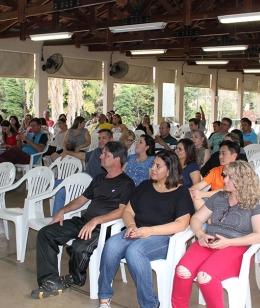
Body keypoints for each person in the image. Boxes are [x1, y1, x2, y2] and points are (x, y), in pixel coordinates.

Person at [31, 141, 135, 300]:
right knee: (46, 233)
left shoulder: (126, 183)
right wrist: (62, 210)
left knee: (79, 246)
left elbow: (122, 211)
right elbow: (81, 200)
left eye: (105, 154)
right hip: (84, 220)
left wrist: (97, 221)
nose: (100, 156)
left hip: (104, 228)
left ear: (117, 160)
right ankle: (50, 280)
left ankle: (75, 277)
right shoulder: (99, 178)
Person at [97, 150, 194, 308]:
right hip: (137, 230)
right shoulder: (145, 186)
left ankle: (150, 304)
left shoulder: (181, 192)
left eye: (158, 166)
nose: (153, 168)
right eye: (153, 164)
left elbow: (182, 224)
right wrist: (131, 225)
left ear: (169, 170)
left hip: (164, 238)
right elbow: (128, 211)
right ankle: (104, 298)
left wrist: (150, 231)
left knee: (134, 252)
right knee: (111, 246)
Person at [171, 161, 260, 308]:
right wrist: (199, 234)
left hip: (236, 247)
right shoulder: (219, 197)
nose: (224, 180)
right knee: (182, 271)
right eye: (225, 176)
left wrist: (228, 242)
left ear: (243, 180)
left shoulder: (255, 203)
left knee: (205, 277)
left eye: (230, 177)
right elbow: (196, 218)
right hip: (209, 241)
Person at [51, 129, 114, 215]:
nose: (101, 140)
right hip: (80, 179)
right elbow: (83, 155)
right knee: (51, 184)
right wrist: (68, 152)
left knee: (61, 192)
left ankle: (55, 223)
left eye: (104, 138)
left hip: (91, 186)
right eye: (99, 138)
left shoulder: (112, 156)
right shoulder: (97, 151)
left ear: (111, 139)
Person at [190, 140, 240, 210]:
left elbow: (226, 191)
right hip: (212, 202)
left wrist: (202, 194)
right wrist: (192, 191)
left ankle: (208, 218)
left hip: (230, 205)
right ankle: (210, 219)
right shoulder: (215, 170)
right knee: (195, 198)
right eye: (219, 153)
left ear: (234, 156)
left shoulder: (240, 172)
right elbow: (200, 185)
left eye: (224, 153)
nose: (220, 156)